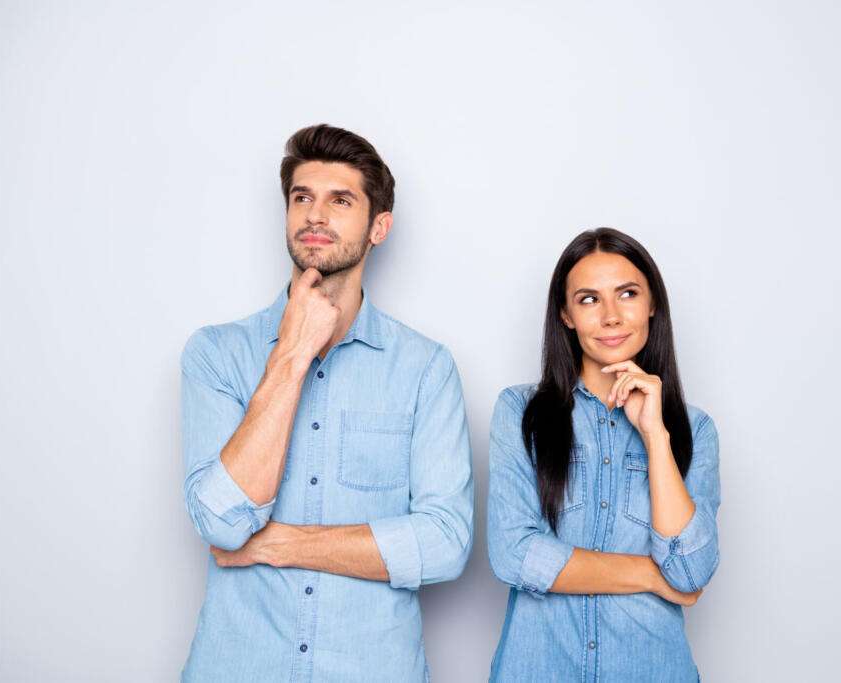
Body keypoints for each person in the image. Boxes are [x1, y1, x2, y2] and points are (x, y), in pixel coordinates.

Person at [179, 124, 474, 682]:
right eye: (302, 198)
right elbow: (221, 522)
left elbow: (444, 544)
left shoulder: (425, 369)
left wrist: (280, 544)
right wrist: (290, 355)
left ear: (378, 227)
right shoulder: (216, 354)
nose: (316, 215)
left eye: (341, 200)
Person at [487, 228, 720, 682]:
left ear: (652, 304)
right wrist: (653, 575)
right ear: (566, 315)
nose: (611, 316)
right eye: (589, 299)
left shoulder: (695, 429)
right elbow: (515, 555)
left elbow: (691, 570)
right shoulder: (520, 412)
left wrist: (655, 436)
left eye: (627, 294)